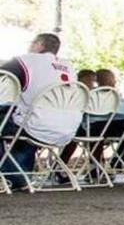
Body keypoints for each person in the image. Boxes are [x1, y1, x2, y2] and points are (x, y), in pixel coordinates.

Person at [0, 33, 83, 190]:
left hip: (34, 125)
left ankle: (16, 177)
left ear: (39, 44)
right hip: (67, 129)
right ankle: (21, 176)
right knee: (23, 120)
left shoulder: (26, 60)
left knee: (13, 121)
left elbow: (3, 76)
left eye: (32, 43)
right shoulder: (69, 66)